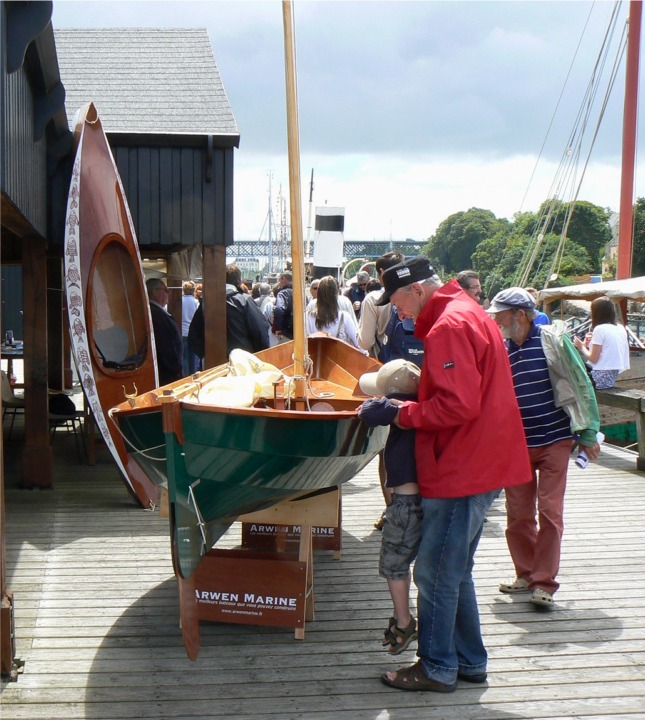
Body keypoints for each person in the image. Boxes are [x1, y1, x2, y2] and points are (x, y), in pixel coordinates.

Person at [372, 256, 531, 693]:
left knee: (436, 573)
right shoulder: (467, 313)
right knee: (455, 570)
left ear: (418, 290)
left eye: (398, 301)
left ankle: (438, 666)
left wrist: (400, 412)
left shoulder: (447, 326)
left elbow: (457, 406)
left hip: (463, 466)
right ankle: (469, 660)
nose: (397, 311)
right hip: (481, 462)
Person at [487, 287, 601, 609]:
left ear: (519, 315)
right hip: (518, 444)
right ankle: (525, 573)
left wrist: (589, 432)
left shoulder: (553, 340)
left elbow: (581, 383)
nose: (496, 320)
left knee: (549, 511)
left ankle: (544, 583)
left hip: (555, 440)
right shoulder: (502, 348)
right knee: (518, 514)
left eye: (501, 314)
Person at [358, 359, 422, 656]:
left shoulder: (397, 413)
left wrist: (384, 403)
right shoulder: (421, 412)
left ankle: (404, 619)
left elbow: (369, 413)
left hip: (404, 506)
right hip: (424, 502)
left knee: (394, 565)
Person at [188, 265, 271, 360]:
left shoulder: (206, 303)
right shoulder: (245, 300)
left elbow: (194, 336)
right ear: (239, 281)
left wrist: (206, 356)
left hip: (214, 364)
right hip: (243, 362)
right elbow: (260, 331)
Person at [573, 296, 630, 389]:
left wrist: (581, 347)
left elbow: (593, 358)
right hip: (610, 377)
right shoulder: (620, 327)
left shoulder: (599, 329)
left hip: (598, 378)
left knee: (568, 362)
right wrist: (588, 344)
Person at [304, 276, 364, 351]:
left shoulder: (308, 316)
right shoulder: (344, 317)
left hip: (314, 359)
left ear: (319, 293)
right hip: (339, 360)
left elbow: (303, 341)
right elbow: (359, 343)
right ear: (336, 294)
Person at [146, 278, 183, 386]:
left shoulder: (155, 312)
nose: (169, 293)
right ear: (155, 292)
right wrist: (176, 369)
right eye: (165, 290)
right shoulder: (157, 314)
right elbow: (165, 346)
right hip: (166, 375)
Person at [181, 280, 200, 375]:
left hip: (182, 332)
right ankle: (192, 376)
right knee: (193, 357)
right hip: (192, 332)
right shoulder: (196, 302)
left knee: (184, 357)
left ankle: (184, 377)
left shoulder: (180, 301)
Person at [273, 271, 294, 341]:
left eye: (279, 279)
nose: (279, 282)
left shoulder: (283, 293)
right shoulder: (302, 293)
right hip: (300, 333)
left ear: (283, 279)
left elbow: (278, 309)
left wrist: (279, 328)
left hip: (286, 333)